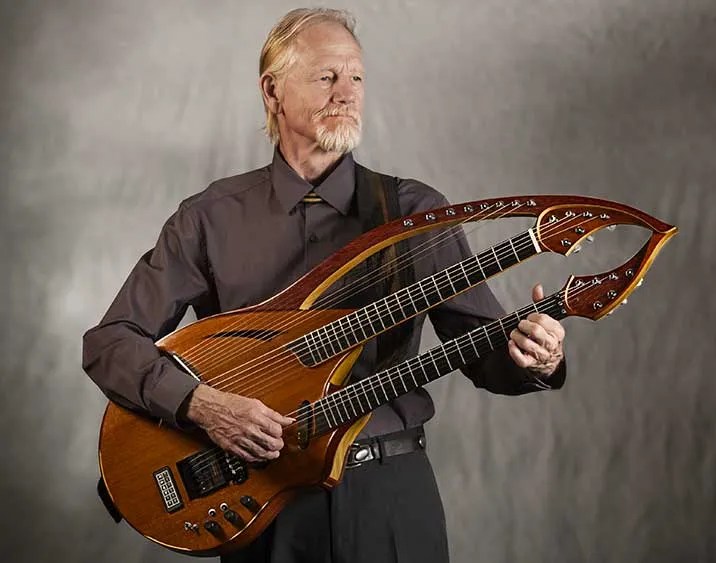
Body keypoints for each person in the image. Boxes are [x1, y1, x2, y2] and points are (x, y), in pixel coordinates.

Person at [82, 8, 567, 563]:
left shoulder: (413, 213)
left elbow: (486, 354)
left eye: (356, 77)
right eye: (325, 76)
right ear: (272, 92)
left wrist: (535, 359)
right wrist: (200, 404)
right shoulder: (209, 218)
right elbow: (109, 342)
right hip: (264, 504)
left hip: (390, 496)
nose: (347, 92)